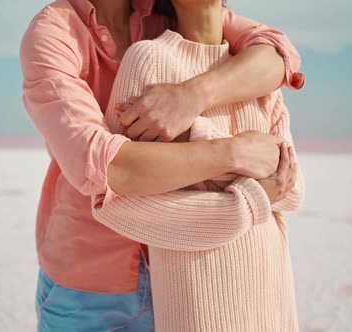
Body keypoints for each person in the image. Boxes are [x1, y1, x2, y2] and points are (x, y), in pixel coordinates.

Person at [19, 0, 305, 330]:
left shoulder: (161, 9)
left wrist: (193, 95)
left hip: (180, 276)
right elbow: (103, 167)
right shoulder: (53, 33)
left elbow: (277, 52)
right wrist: (233, 153)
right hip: (90, 285)